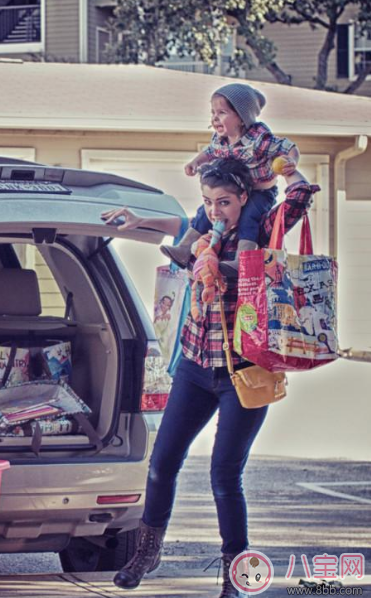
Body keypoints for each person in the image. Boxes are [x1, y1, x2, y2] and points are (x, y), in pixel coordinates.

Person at [100, 157, 318, 598]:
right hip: (197, 369)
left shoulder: (263, 230)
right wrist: (139, 218)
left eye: (224, 201)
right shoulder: (203, 238)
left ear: (244, 198)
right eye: (208, 202)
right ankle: (147, 553)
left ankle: (236, 575)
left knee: (224, 475)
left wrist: (287, 170)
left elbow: (298, 196)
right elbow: (177, 222)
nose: (215, 210)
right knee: (161, 465)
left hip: (245, 374)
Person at [160, 83, 300, 275]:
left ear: (242, 118)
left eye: (222, 112)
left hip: (260, 191)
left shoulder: (259, 141)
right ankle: (184, 249)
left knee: (249, 217)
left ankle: (242, 261)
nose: (215, 118)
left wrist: (291, 161)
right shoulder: (220, 140)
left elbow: (288, 147)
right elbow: (209, 152)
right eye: (213, 112)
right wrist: (195, 162)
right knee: (203, 212)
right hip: (235, 188)